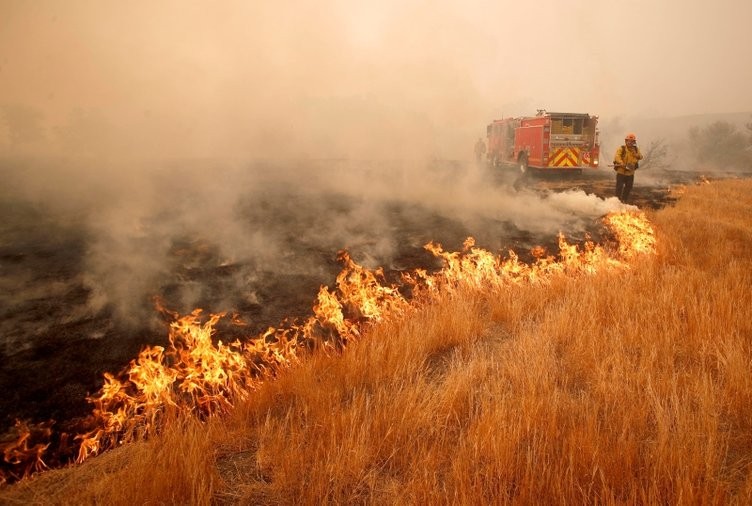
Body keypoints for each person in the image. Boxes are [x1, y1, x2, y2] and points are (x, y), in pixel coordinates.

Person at [613, 132, 643, 203]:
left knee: (628, 188)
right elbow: (617, 156)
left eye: (632, 141)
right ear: (626, 141)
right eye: (628, 141)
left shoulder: (636, 150)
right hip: (621, 172)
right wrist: (621, 163)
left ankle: (624, 201)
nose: (630, 142)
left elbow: (641, 157)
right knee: (619, 188)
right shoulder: (622, 148)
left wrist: (635, 154)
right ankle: (617, 202)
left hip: (630, 173)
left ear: (634, 142)